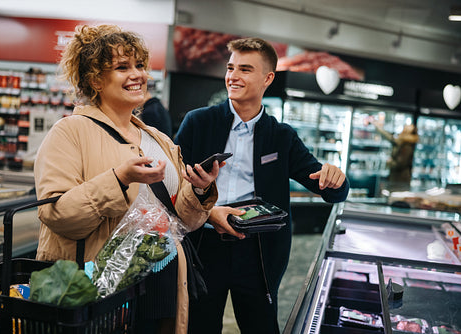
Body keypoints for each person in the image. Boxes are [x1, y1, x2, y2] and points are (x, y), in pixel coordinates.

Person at [33, 24, 221, 334]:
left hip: (160, 288)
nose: (138, 75)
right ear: (95, 79)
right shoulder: (69, 133)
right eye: (122, 67)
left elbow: (183, 221)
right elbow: (59, 214)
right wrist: (119, 179)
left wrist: (199, 191)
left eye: (140, 65)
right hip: (100, 294)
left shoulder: (159, 139)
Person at [174, 37, 349, 333]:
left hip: (257, 253)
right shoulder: (198, 122)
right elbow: (171, 183)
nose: (233, 76)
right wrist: (206, 207)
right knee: (199, 327)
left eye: (245, 69)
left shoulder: (281, 136)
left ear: (268, 78)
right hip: (203, 247)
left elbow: (330, 189)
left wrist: (336, 178)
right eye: (231, 68)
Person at [372, 120, 419, 188]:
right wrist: (378, 127)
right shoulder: (402, 142)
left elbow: (400, 163)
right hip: (397, 176)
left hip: (400, 178)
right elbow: (391, 138)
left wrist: (390, 162)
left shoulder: (406, 145)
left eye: (405, 128)